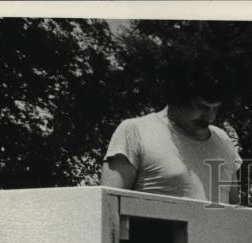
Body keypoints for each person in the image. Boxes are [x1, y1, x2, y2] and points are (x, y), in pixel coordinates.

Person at [101, 52, 242, 205]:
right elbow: (109, 209)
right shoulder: (134, 131)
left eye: (216, 108)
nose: (210, 116)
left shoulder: (223, 141)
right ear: (178, 96)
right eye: (202, 106)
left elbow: (234, 212)